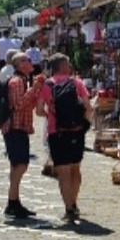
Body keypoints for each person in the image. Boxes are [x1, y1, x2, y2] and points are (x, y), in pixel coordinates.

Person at [36, 52, 91, 223]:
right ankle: (74, 203)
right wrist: (83, 124)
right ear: (64, 66)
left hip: (56, 132)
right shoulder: (77, 83)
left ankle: (68, 208)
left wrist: (50, 115)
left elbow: (38, 110)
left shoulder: (47, 85)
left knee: (63, 172)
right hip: (76, 131)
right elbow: (88, 107)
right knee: (75, 169)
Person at [1, 49, 38, 220]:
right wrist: (34, 89)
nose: (31, 62)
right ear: (20, 64)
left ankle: (14, 202)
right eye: (28, 59)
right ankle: (12, 202)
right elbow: (18, 104)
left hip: (21, 127)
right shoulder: (16, 82)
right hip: (15, 127)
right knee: (21, 165)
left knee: (17, 165)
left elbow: (28, 104)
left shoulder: (23, 80)